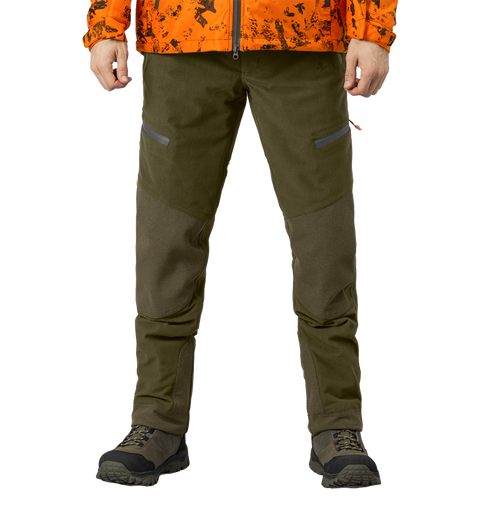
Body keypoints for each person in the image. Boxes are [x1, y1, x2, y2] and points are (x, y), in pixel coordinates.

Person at [82, 0, 399, 491]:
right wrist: (106, 23)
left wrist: (372, 30)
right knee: (165, 243)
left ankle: (338, 424)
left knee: (324, 244)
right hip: (180, 39)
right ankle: (156, 421)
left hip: (303, 38)